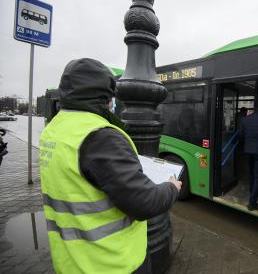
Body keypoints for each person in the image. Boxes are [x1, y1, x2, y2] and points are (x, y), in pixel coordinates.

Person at [39, 58, 182, 274]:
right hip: (113, 262)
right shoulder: (101, 137)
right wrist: (171, 187)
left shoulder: (54, 130)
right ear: (105, 97)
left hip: (70, 261)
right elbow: (145, 203)